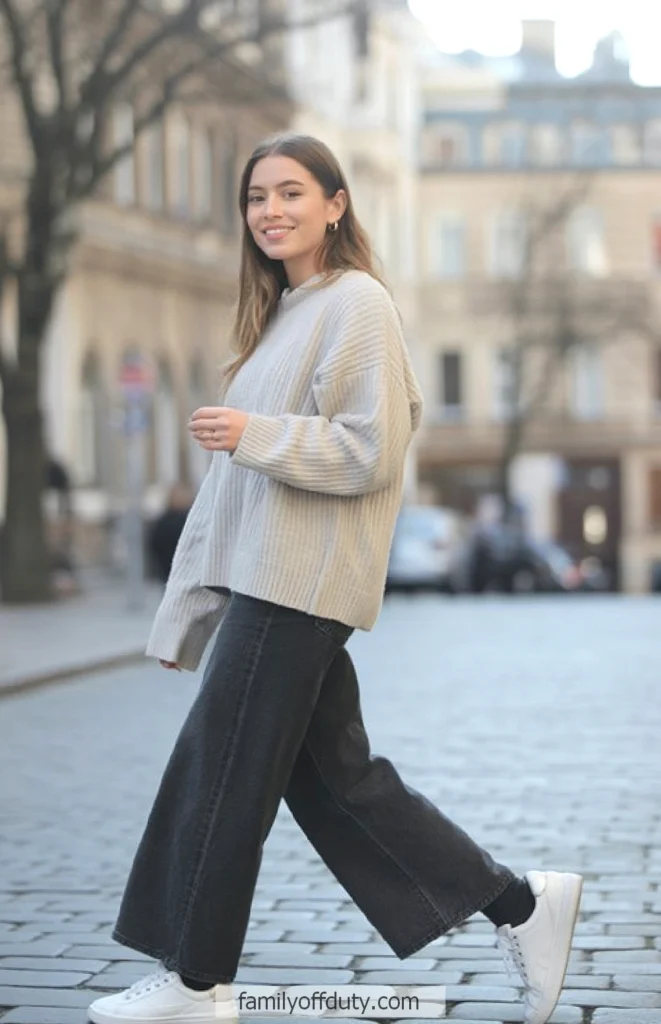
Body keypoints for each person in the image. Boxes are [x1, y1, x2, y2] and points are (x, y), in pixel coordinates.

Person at [87, 134, 582, 1024]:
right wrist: (189, 611)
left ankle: (196, 982)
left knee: (220, 769)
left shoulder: (356, 303)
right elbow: (230, 501)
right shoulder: (285, 312)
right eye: (255, 198)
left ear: (335, 204)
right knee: (337, 782)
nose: (270, 210)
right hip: (274, 582)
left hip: (301, 587)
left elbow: (370, 448)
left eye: (290, 192)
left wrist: (252, 432)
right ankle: (522, 905)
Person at [148, 482, 193, 584]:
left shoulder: (190, 518)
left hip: (188, 570)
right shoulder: (165, 520)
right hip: (169, 571)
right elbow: (155, 544)